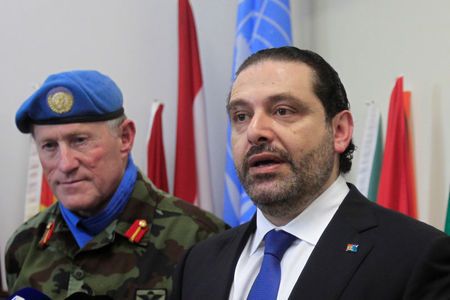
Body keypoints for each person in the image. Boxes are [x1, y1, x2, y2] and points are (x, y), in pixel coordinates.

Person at [170, 47, 447, 300]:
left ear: (339, 131)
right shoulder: (198, 263)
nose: (255, 131)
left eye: (282, 111)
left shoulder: (414, 256)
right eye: (241, 116)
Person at [5, 70, 228, 300]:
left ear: (125, 138)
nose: (65, 164)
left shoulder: (201, 240)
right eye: (49, 146)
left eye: (80, 140)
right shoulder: (24, 245)